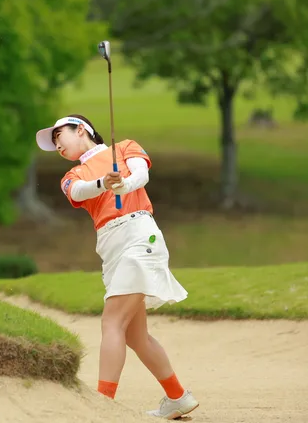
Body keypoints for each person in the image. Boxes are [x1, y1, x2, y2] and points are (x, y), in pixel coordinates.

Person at [35, 114, 199, 420]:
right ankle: (178, 397)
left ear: (80, 129)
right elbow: (79, 191)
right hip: (111, 248)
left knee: (111, 323)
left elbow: (141, 175)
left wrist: (124, 184)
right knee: (135, 336)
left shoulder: (123, 147)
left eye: (59, 135)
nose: (57, 145)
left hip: (138, 235)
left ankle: (103, 404)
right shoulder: (72, 175)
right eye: (53, 142)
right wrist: (104, 183)